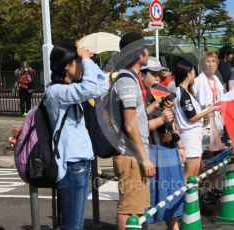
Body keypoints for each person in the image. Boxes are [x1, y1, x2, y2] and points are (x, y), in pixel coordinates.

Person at [45, 42, 108, 230]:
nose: (81, 66)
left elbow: (101, 85)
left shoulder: (67, 89)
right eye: (78, 62)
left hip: (79, 162)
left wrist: (87, 60)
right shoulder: (56, 91)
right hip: (71, 164)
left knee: (75, 225)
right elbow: (90, 89)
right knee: (72, 226)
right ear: (67, 65)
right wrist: (86, 60)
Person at [110, 32, 156, 230]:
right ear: (138, 53)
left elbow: (135, 117)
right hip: (131, 156)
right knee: (129, 210)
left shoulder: (130, 78)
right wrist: (144, 158)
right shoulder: (127, 80)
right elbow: (130, 125)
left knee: (137, 209)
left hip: (133, 153)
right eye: (145, 47)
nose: (148, 51)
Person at [140, 57, 185, 230]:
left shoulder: (161, 92)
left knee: (172, 196)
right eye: (153, 73)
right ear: (142, 74)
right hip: (150, 151)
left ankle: (174, 227)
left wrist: (180, 146)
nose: (158, 76)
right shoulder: (139, 95)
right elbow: (138, 127)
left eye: (160, 73)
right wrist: (161, 118)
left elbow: (172, 123)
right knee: (147, 199)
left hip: (168, 149)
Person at [174, 60, 220, 182]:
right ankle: (184, 200)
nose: (194, 75)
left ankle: (191, 199)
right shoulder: (182, 93)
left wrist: (204, 116)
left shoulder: (185, 92)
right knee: (189, 175)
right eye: (193, 72)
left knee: (194, 174)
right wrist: (211, 109)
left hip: (194, 135)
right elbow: (192, 116)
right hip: (189, 136)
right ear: (188, 73)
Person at [193, 51, 225, 204]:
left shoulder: (217, 80)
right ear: (202, 64)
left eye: (213, 61)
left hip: (217, 124)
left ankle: (211, 188)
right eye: (208, 61)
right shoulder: (199, 81)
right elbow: (193, 101)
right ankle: (203, 189)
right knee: (206, 159)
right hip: (204, 125)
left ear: (217, 64)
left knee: (217, 158)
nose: (211, 64)